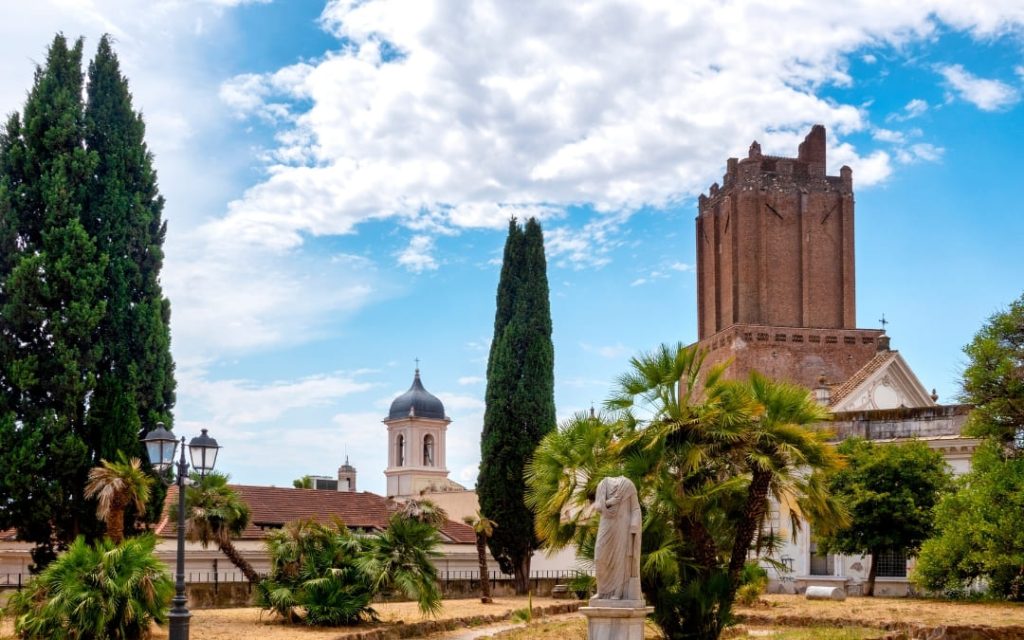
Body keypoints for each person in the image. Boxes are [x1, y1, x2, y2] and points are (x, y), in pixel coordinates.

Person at [593, 476, 642, 601]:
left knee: (620, 558)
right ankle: (601, 591)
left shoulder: (628, 485)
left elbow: (636, 508)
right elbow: (598, 506)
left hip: (622, 525)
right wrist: (611, 502)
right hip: (606, 524)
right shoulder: (602, 484)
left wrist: (634, 524)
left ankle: (619, 592)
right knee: (599, 557)